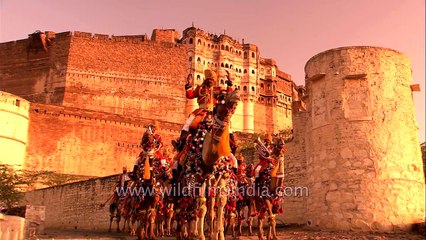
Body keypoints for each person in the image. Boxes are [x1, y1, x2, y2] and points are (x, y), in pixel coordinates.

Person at [172, 69, 233, 151]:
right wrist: (189, 84)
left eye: (212, 80)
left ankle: (232, 145)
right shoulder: (200, 89)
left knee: (226, 127)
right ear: (206, 80)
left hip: (213, 113)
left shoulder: (216, 90)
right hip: (201, 111)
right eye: (209, 79)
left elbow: (228, 94)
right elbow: (190, 95)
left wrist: (229, 81)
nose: (211, 81)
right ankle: (180, 142)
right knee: (188, 123)